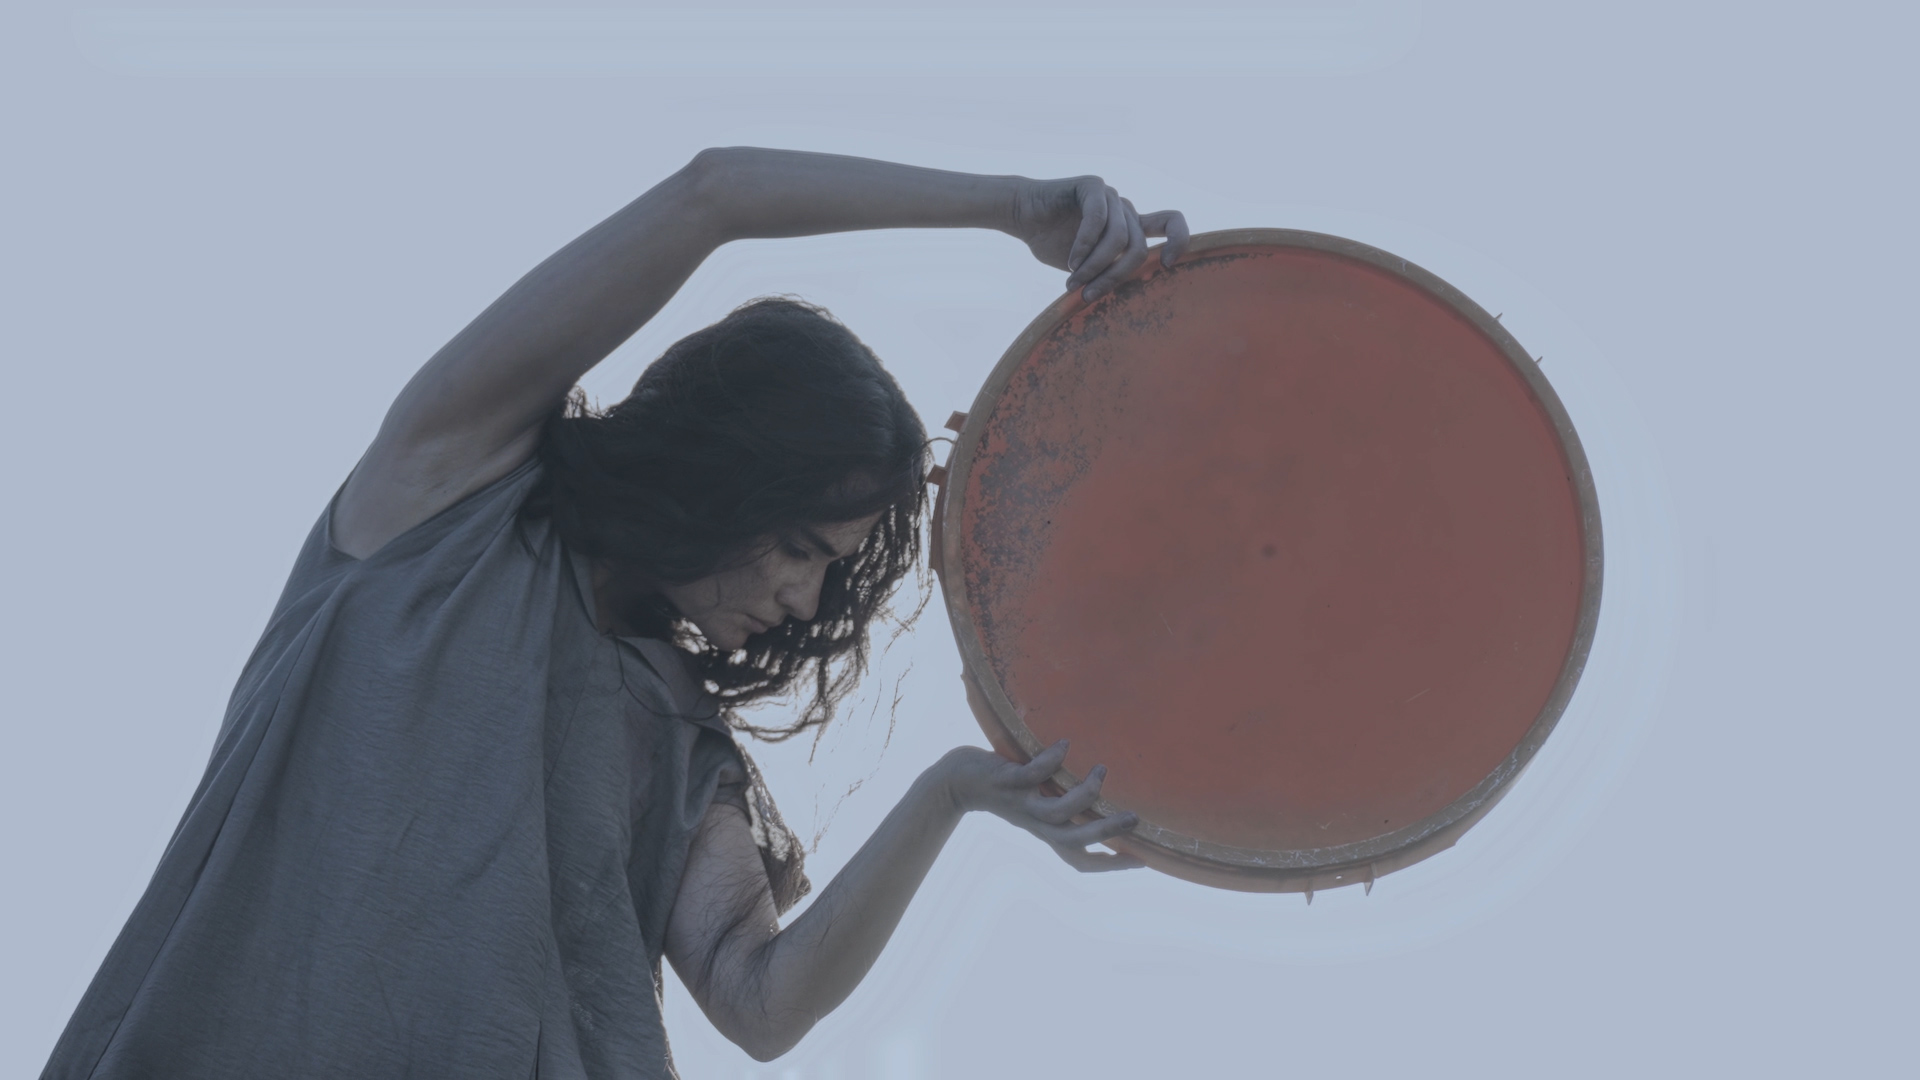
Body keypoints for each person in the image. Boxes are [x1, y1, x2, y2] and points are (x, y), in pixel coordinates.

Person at [41, 147, 1190, 1078]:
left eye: (831, 571)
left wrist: (951, 795)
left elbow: (761, 1002)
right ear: (719, 474)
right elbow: (714, 194)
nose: (806, 597)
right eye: (799, 546)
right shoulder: (448, 496)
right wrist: (1012, 208)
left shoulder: (676, 729)